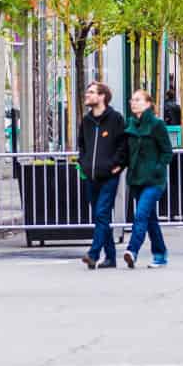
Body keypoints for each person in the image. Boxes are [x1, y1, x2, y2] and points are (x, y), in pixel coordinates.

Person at [77, 82, 128, 269]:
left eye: (91, 92)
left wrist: (118, 164)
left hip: (109, 175)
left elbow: (123, 145)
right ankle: (111, 257)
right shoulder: (87, 121)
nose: (87, 95)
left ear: (102, 97)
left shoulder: (115, 119)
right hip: (91, 174)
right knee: (101, 217)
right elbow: (82, 145)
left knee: (101, 213)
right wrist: (83, 163)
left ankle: (93, 253)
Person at [123, 87, 173, 267]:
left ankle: (132, 250)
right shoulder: (129, 125)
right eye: (132, 100)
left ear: (148, 104)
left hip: (154, 181)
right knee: (150, 219)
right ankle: (160, 254)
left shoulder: (157, 125)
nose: (133, 103)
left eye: (138, 100)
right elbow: (124, 152)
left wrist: (158, 169)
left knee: (141, 214)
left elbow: (167, 151)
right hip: (135, 180)